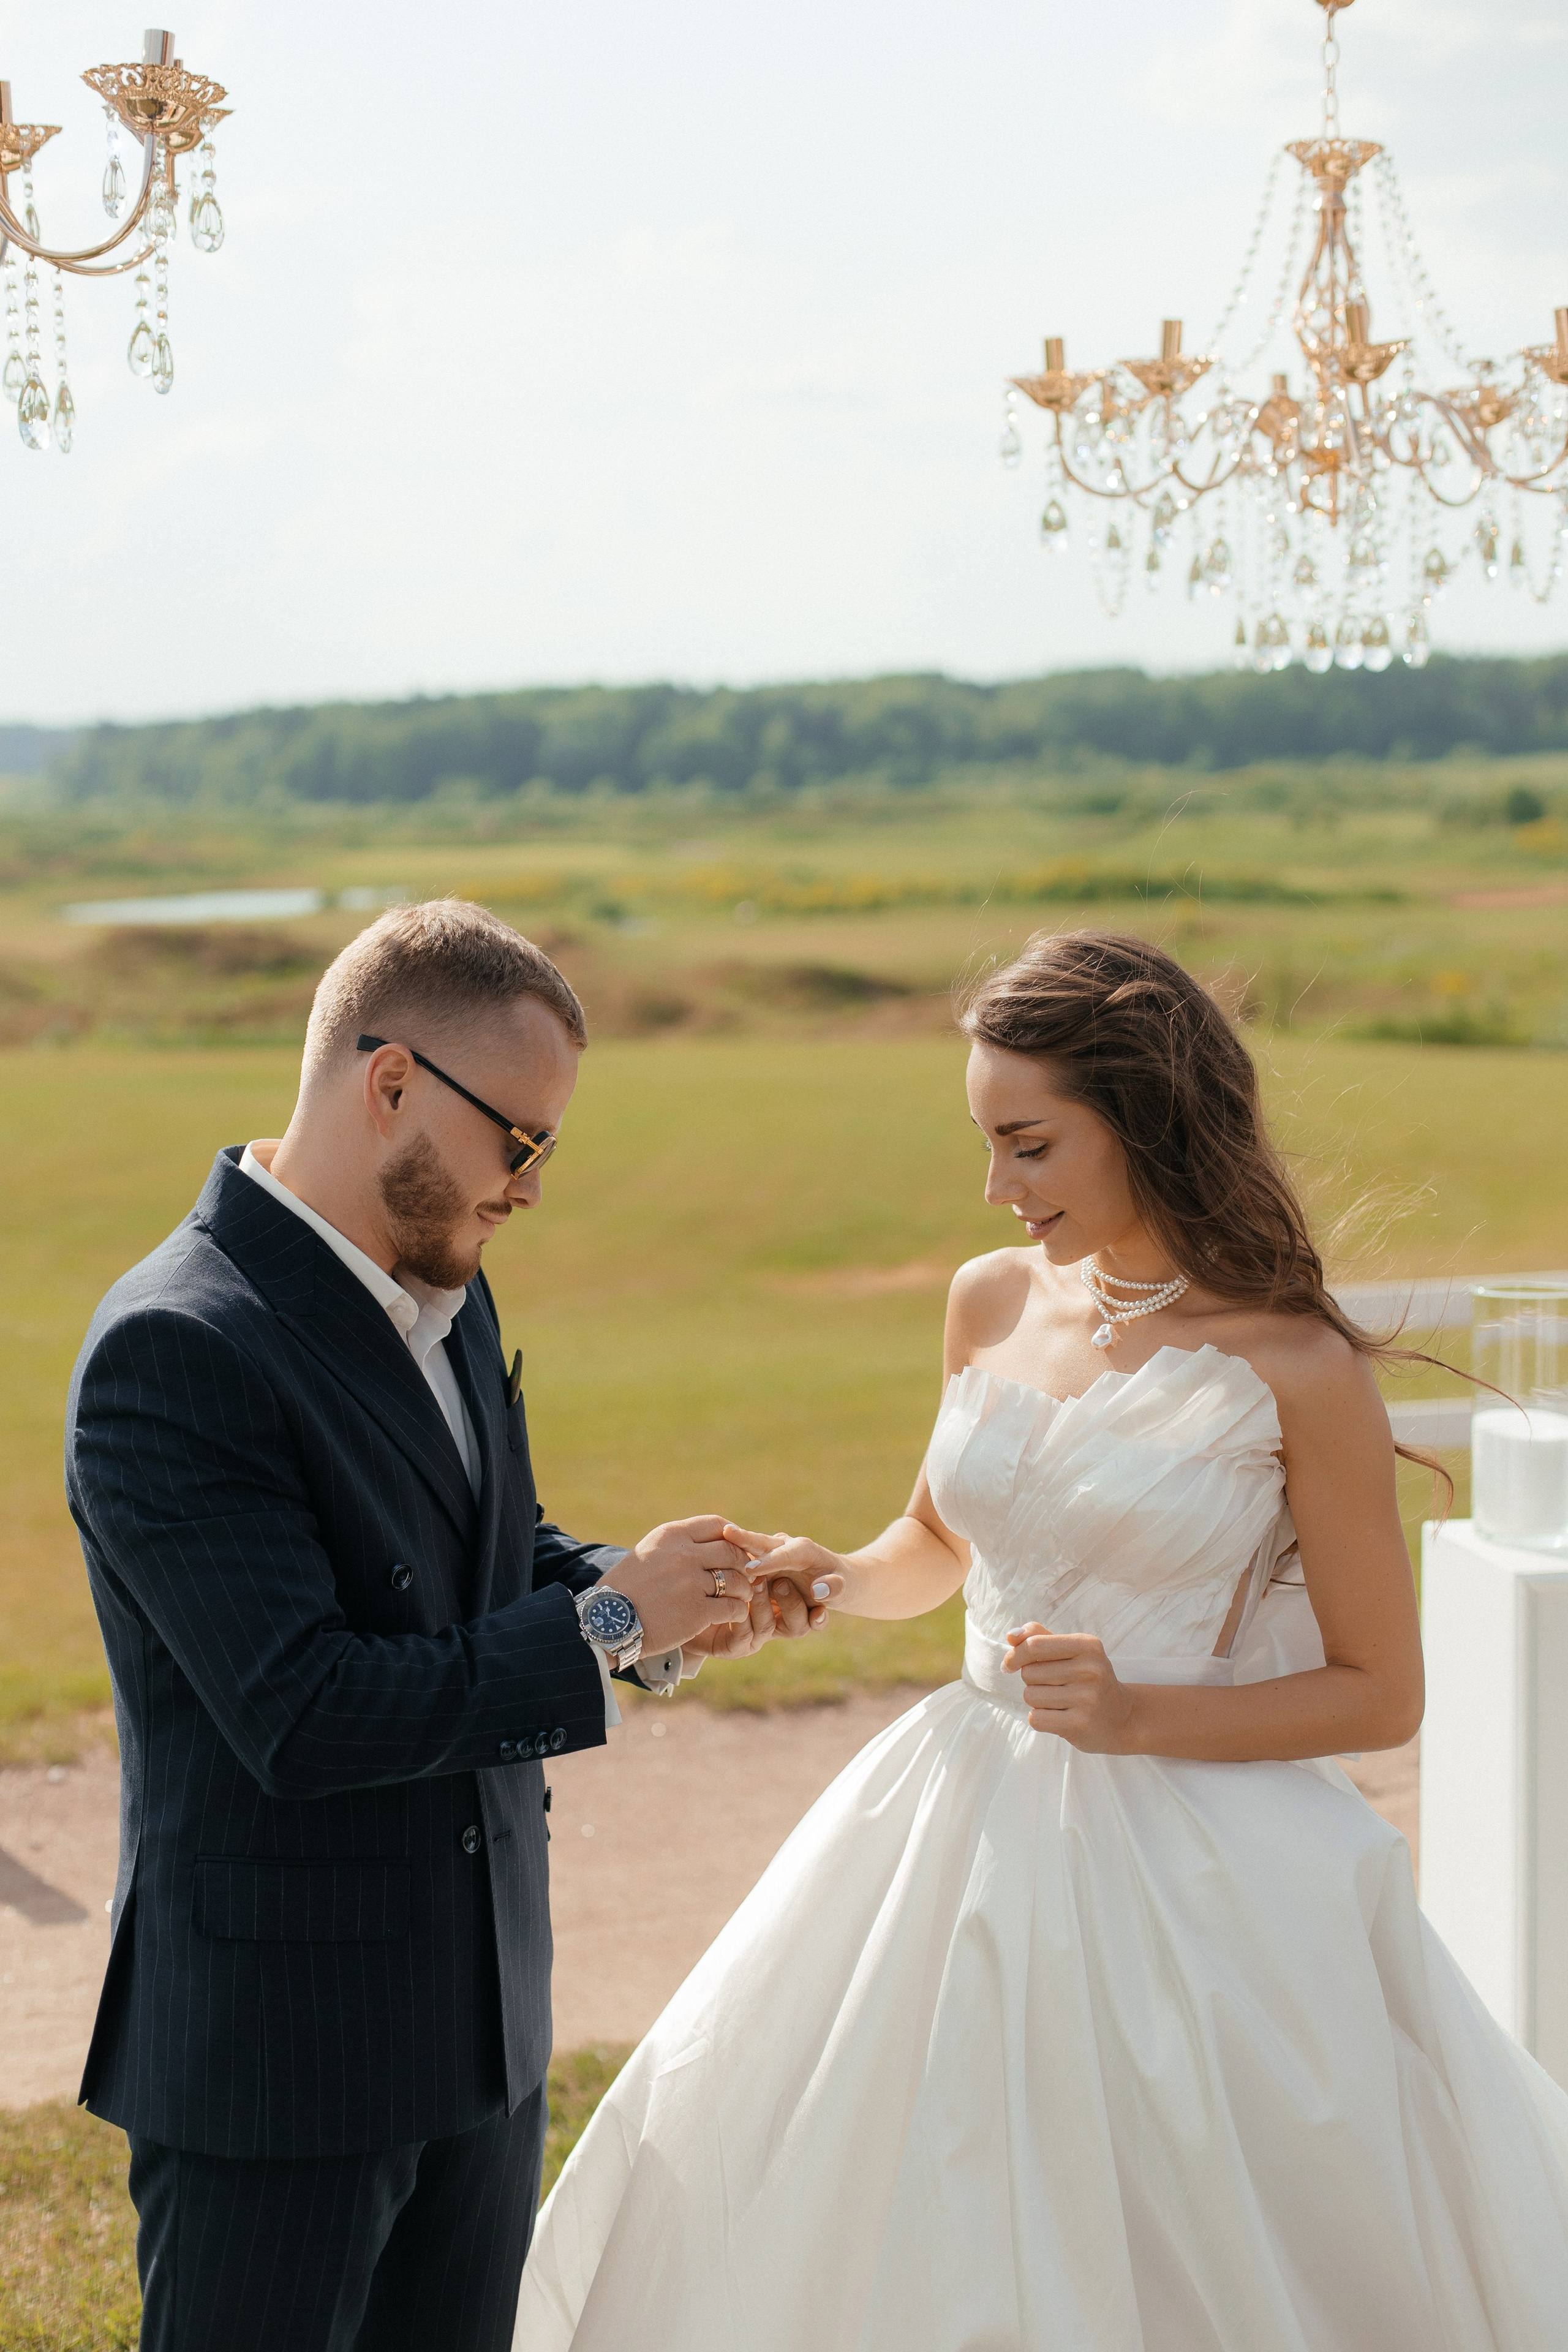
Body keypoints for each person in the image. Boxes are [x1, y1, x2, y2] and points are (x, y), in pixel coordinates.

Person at [519, 928, 1568, 2350]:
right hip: (951, 1819)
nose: (995, 1190)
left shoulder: (1296, 1368)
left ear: (1140, 1120)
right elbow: (939, 1546)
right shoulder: (989, 1300)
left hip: (1200, 1879)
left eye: (1027, 1147)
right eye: (986, 1147)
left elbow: (1381, 1695)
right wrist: (832, 1576)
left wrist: (1138, 1717)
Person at [65, 899, 828, 2352]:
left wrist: (667, 1600)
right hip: (279, 2070)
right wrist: (604, 1618)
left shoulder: (441, 1282)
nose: (533, 1187)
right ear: (393, 1083)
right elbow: (304, 1710)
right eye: (519, 1143)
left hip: (475, 2031)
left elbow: (481, 1559)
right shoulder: (178, 1347)